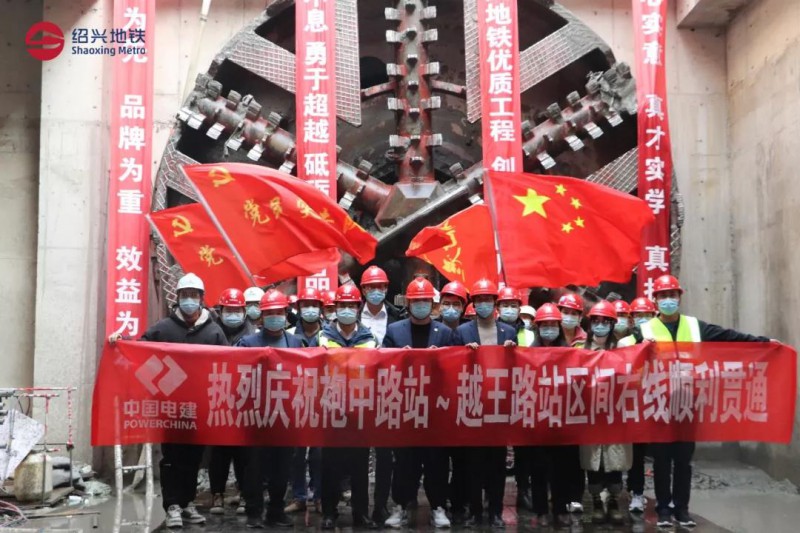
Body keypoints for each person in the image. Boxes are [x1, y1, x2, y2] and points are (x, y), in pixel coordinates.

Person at [620, 275, 773, 528]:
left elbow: (728, 336)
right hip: (658, 406)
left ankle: (682, 510)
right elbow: (620, 350)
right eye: (663, 296)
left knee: (683, 461)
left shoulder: (694, 326)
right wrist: (638, 347)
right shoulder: (644, 330)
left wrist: (763, 342)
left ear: (679, 297)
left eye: (672, 295)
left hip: (687, 404)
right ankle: (663, 510)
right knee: (661, 461)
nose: (668, 300)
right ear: (655, 300)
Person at [109, 273, 228, 529]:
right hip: (169, 408)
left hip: (198, 408)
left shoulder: (214, 331)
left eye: (193, 295)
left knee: (194, 458)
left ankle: (187, 502)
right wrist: (121, 343)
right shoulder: (163, 328)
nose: (189, 300)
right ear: (178, 298)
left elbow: (227, 364)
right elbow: (139, 351)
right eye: (185, 295)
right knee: (171, 458)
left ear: (201, 298)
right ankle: (172, 505)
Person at [382, 278, 453, 529]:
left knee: (436, 461)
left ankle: (438, 507)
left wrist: (439, 360)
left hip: (435, 409)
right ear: (408, 303)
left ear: (432, 304)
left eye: (425, 300)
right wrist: (399, 358)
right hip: (405, 407)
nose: (421, 304)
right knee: (404, 461)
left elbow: (455, 370)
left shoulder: (445, 333)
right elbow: (382, 365)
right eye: (416, 301)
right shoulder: (395, 331)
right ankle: (401, 506)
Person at [312, 284, 380, 530]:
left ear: (358, 308)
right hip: (331, 409)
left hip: (359, 411)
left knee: (360, 466)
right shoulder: (323, 337)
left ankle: (361, 513)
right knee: (330, 465)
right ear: (336, 308)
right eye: (343, 306)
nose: (347, 310)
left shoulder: (370, 338)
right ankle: (329, 512)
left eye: (351, 306)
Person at [236, 289, 304, 529]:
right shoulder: (248, 343)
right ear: (261, 317)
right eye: (269, 313)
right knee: (254, 467)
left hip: (285, 415)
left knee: (282, 467)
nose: (275, 317)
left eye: (278, 312)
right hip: (256, 416)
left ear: (285, 314)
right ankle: (254, 511)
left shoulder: (295, 342)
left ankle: (276, 510)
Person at [455, 278, 517, 529]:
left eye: (487, 299)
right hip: (473, 403)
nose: (483, 303)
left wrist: (512, 352)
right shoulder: (462, 332)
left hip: (498, 405)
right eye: (479, 299)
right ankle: (475, 511)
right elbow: (453, 365)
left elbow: (518, 369)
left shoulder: (508, 332)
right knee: (473, 463)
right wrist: (465, 354)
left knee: (497, 464)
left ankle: (495, 511)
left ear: (495, 303)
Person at [357, 265, 401, 523]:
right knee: (359, 454)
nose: (376, 291)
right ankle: (361, 508)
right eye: (371, 287)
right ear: (363, 290)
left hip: (388, 391)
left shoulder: (397, 317)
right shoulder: (351, 315)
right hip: (358, 391)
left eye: (380, 286)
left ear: (386, 288)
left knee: (386, 455)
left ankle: (381, 505)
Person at [579, 301, 630, 525]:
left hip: (615, 414)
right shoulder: (580, 349)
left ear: (612, 324)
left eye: (605, 321)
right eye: (596, 321)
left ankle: (614, 501)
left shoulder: (623, 349)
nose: (600, 325)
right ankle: (597, 502)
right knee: (594, 462)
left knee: (614, 460)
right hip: (590, 414)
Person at [209, 288, 257, 516]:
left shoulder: (253, 335)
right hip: (217, 397)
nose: (233, 314)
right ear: (220, 311)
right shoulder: (211, 331)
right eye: (229, 310)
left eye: (237, 310)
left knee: (244, 452)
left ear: (244, 311)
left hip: (244, 399)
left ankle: (245, 493)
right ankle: (217, 493)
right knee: (219, 451)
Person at [528, 303, 574, 528]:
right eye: (544, 325)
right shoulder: (528, 352)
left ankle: (561, 508)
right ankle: (541, 510)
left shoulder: (569, 352)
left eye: (552, 325)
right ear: (538, 327)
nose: (548, 329)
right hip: (537, 418)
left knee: (562, 468)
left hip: (562, 418)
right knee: (538, 467)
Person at [284, 287, 325, 514]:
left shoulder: (328, 335)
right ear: (298, 308)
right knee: (296, 453)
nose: (310, 309)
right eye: (305, 305)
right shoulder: (289, 335)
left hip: (322, 400)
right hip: (296, 399)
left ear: (320, 308)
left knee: (319, 453)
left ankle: (319, 495)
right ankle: (299, 496)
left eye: (314, 305)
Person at [624, 296, 657, 513]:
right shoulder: (625, 343)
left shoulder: (660, 339)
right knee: (634, 453)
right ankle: (635, 491)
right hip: (631, 403)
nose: (642, 319)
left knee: (656, 453)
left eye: (646, 315)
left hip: (655, 400)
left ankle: (660, 496)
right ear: (631, 319)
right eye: (638, 316)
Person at [557, 292, 587, 513]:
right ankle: (558, 495)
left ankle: (576, 496)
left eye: (573, 313)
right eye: (565, 312)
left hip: (579, 403)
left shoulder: (586, 341)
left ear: (580, 316)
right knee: (556, 453)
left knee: (576, 454)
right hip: (554, 402)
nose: (568, 316)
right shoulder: (549, 336)